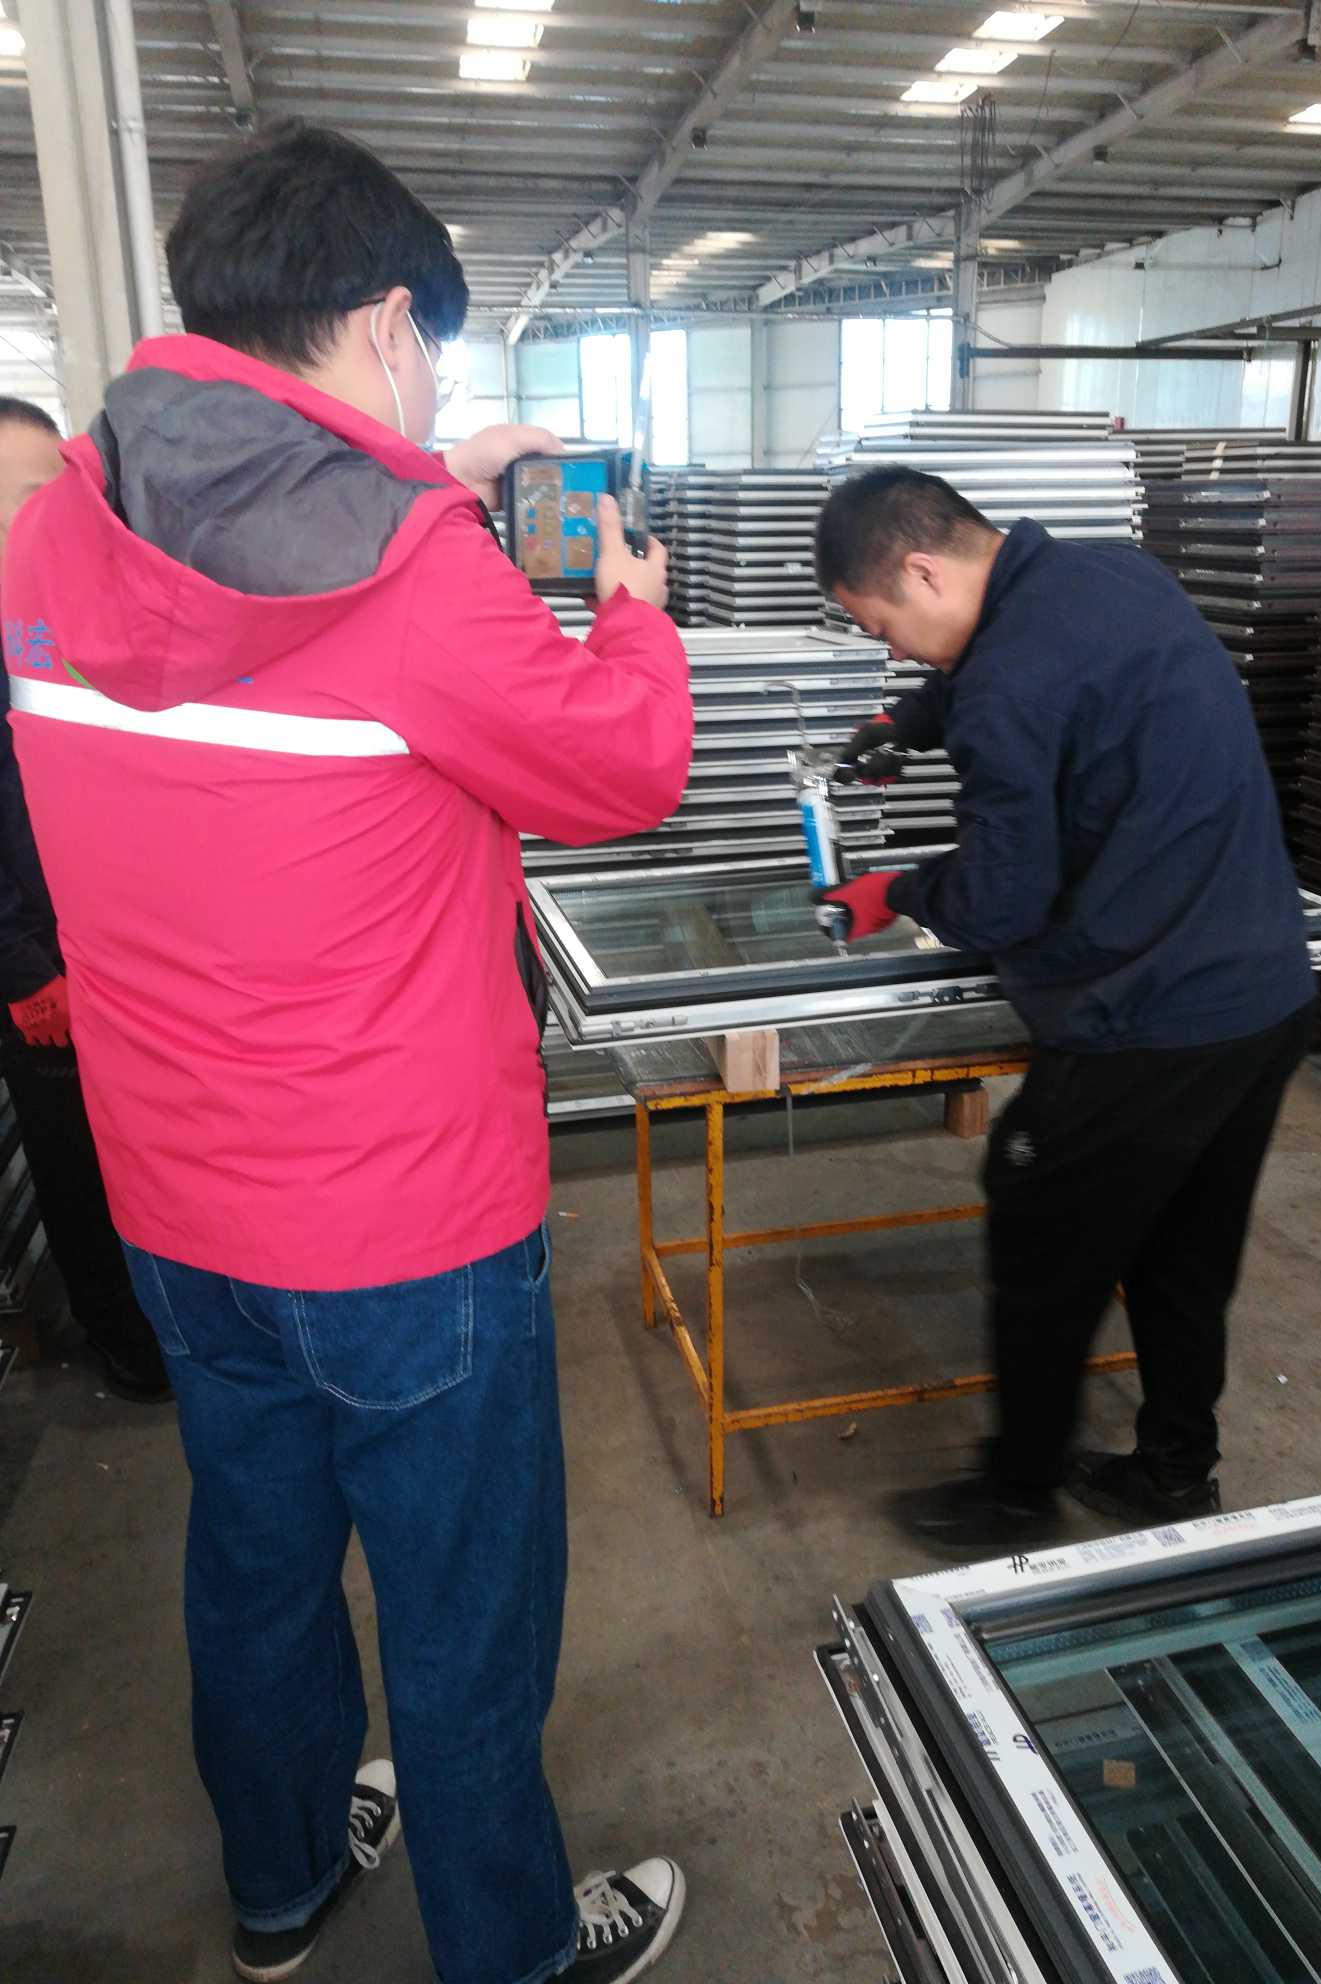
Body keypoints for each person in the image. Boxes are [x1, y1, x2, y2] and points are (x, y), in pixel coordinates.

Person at [1, 124, 693, 1984]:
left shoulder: (55, 529)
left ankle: (285, 1885)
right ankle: (511, 1948)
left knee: (255, 1564)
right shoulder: (419, 574)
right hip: (407, 1222)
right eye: (433, 359)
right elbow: (622, 768)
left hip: (177, 1200)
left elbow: (251, 581)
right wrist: (628, 615)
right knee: (464, 1612)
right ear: (389, 323)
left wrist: (424, 478)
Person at [816, 467, 1315, 1546]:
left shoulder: (1006, 687)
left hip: (1149, 1018)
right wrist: (911, 717)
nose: (895, 650)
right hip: (1265, 995)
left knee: (1041, 1225)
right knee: (1184, 1252)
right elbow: (1039, 673)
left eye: (883, 627)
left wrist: (894, 891)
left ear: (922, 571)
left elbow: (1003, 899)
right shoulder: (1113, 576)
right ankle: (1174, 1471)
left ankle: (1016, 1494)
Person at [0, 398, 170, 1401]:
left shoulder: (53, 629)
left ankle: (164, 1319)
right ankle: (129, 1345)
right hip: (40, 971)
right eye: (26, 499)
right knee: (76, 1162)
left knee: (139, 1150)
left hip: (111, 943)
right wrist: (23, 969)